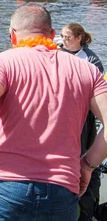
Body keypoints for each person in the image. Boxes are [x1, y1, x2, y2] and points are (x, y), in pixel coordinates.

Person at [0, 3, 107, 220]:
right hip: (62, 192)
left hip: (8, 186)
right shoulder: (88, 70)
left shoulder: (3, 61)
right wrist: (88, 164)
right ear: (52, 35)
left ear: (12, 35)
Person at [58, 23, 103, 221]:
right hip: (61, 112)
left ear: (78, 38)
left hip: (84, 115)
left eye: (67, 37)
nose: (63, 40)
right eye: (61, 36)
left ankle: (85, 207)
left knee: (81, 149)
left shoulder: (91, 59)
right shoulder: (56, 52)